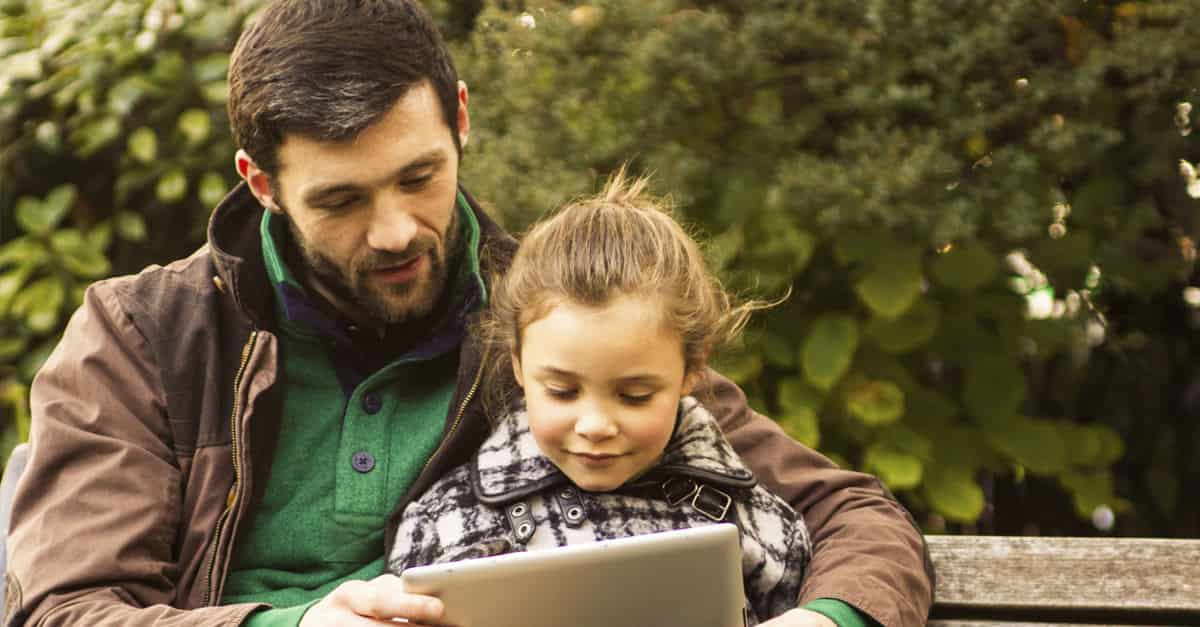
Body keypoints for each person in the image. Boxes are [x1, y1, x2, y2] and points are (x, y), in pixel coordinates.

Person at [4, 1, 933, 626]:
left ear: (459, 119)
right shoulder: (141, 335)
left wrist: (831, 617)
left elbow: (852, 512)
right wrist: (290, 624)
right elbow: (66, 609)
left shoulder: (550, 318)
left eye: (420, 176)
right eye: (341, 201)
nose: (396, 231)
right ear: (262, 184)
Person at [388, 172, 812, 624]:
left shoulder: (754, 522)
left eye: (634, 396)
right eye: (562, 391)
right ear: (517, 363)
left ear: (692, 369)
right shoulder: (441, 523)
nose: (594, 424)